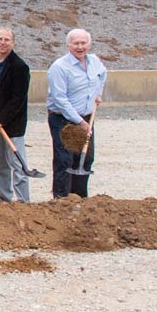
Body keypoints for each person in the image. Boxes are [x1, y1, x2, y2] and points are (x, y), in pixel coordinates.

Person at [46, 28, 106, 199]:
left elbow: (102, 75)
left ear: (89, 44)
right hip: (63, 119)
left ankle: (79, 199)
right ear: (68, 45)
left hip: (87, 117)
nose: (80, 47)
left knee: (85, 158)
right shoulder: (59, 67)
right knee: (65, 160)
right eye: (76, 43)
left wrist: (98, 92)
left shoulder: (95, 61)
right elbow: (59, 98)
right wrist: (79, 121)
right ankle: (62, 200)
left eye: (83, 43)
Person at [0, 27, 33, 202]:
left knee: (17, 162)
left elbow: (19, 98)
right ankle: (5, 198)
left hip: (12, 120)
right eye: (0, 38)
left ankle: (23, 201)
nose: (2, 43)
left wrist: (3, 119)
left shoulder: (20, 67)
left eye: (7, 40)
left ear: (13, 43)